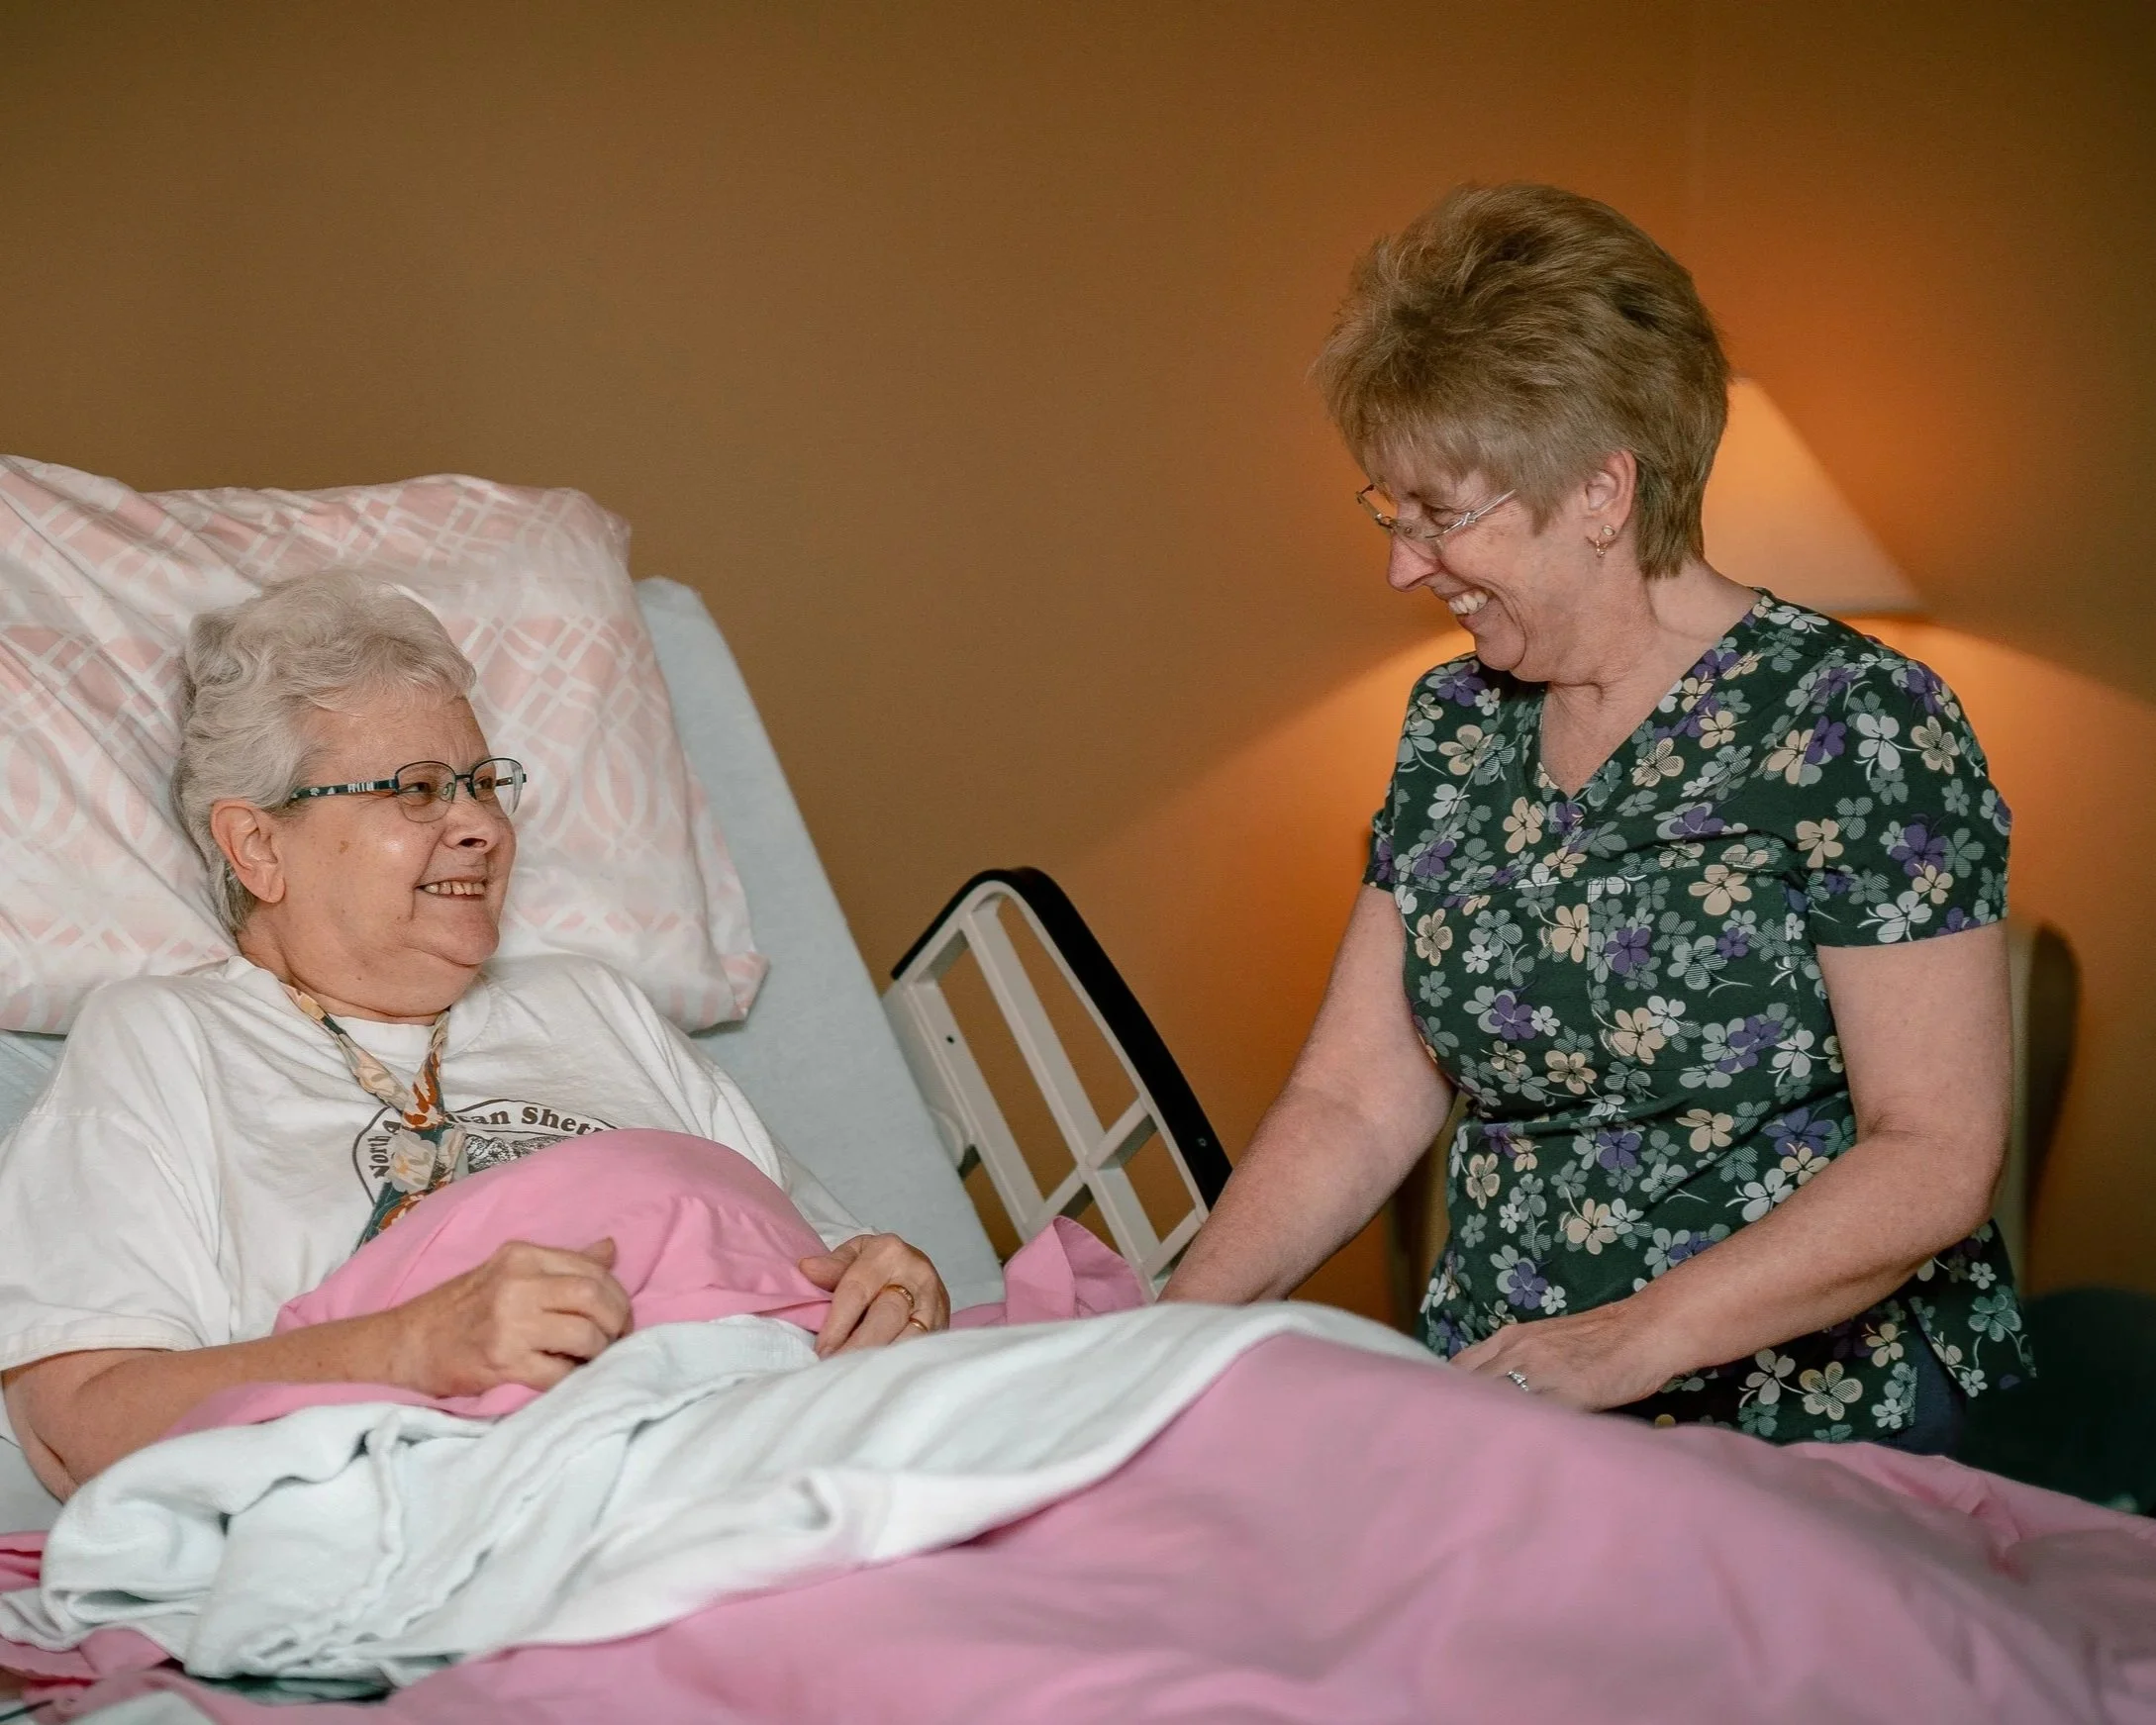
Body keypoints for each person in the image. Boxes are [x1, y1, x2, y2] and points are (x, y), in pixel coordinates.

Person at [1162, 183, 2028, 1450]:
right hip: (1503, 1396)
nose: (1402, 566)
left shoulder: (1854, 722)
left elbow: (1934, 1151)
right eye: (1389, 511)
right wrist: (1166, 1334)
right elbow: (1355, 1096)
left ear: (1602, 493)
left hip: (1801, 1412)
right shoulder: (1455, 723)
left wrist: (1624, 1342)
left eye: (1442, 517)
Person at [0, 572, 950, 1499]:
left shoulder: (593, 1004)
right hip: (518, 1490)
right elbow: (81, 1422)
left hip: (805, 1428)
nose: (480, 827)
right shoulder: (167, 1039)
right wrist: (411, 1347)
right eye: (416, 790)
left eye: (483, 784)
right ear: (258, 846)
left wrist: (893, 1282)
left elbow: (813, 1254)